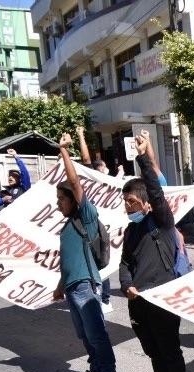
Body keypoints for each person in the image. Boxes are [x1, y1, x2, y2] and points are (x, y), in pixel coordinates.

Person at [118, 130, 187, 372]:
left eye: (132, 202)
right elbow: (124, 263)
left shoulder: (161, 222)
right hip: (138, 301)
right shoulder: (131, 230)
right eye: (124, 202)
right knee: (152, 349)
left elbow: (157, 192)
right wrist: (127, 286)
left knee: (169, 349)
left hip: (162, 298)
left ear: (145, 204)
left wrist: (144, 157)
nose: (127, 208)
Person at [52, 132, 119, 372]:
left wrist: (64, 152)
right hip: (72, 286)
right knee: (83, 334)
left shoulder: (86, 218)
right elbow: (69, 259)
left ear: (73, 200)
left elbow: (75, 183)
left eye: (61, 199)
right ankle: (96, 369)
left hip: (86, 286)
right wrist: (61, 285)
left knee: (95, 333)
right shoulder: (68, 226)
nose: (58, 204)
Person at [75, 125, 114, 312]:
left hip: (102, 230)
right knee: (93, 263)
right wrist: (81, 135)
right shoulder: (89, 185)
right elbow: (86, 159)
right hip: (90, 229)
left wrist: (81, 135)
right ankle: (97, 295)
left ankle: (105, 298)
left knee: (102, 262)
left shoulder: (109, 186)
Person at [0, 148, 31, 214]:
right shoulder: (4, 192)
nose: (11, 177)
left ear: (19, 179)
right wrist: (3, 200)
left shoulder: (24, 188)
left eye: (14, 176)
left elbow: (24, 172)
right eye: (9, 176)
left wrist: (16, 156)